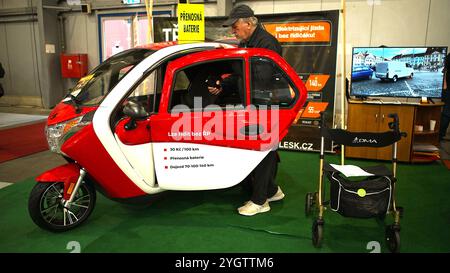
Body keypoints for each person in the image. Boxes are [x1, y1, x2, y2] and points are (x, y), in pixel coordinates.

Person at [208, 4, 284, 216]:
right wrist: (224, 85)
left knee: (262, 152)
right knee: (263, 151)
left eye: (235, 25)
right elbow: (244, 76)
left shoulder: (267, 44)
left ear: (249, 23)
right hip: (256, 105)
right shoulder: (249, 42)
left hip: (266, 106)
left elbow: (260, 78)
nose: (233, 30)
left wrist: (233, 59)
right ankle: (272, 190)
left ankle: (260, 201)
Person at [439, 53, 450, 141]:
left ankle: (440, 136)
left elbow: (445, 86)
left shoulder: (447, 71)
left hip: (448, 93)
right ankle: (440, 135)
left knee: (446, 115)